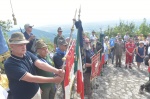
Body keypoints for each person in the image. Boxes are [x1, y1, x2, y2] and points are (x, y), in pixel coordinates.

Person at [4, 32, 65, 99]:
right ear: (11, 46)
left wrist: (57, 71)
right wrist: (54, 80)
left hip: (36, 92)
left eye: (24, 44)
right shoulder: (10, 64)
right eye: (19, 44)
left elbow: (41, 64)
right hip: (24, 96)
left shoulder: (27, 54)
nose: (23, 46)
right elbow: (31, 78)